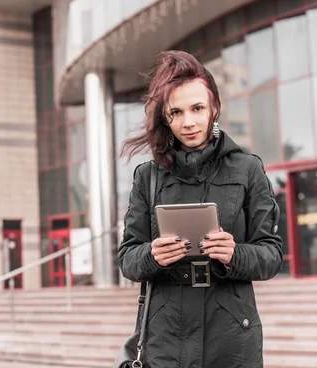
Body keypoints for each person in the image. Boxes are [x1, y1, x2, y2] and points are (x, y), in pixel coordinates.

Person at [117, 50, 283, 368]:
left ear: (214, 108)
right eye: (176, 112)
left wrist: (235, 254)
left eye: (197, 108)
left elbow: (272, 256)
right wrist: (152, 255)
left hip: (232, 337)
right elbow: (127, 259)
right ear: (166, 118)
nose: (188, 122)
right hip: (163, 338)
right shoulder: (147, 177)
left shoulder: (248, 169)